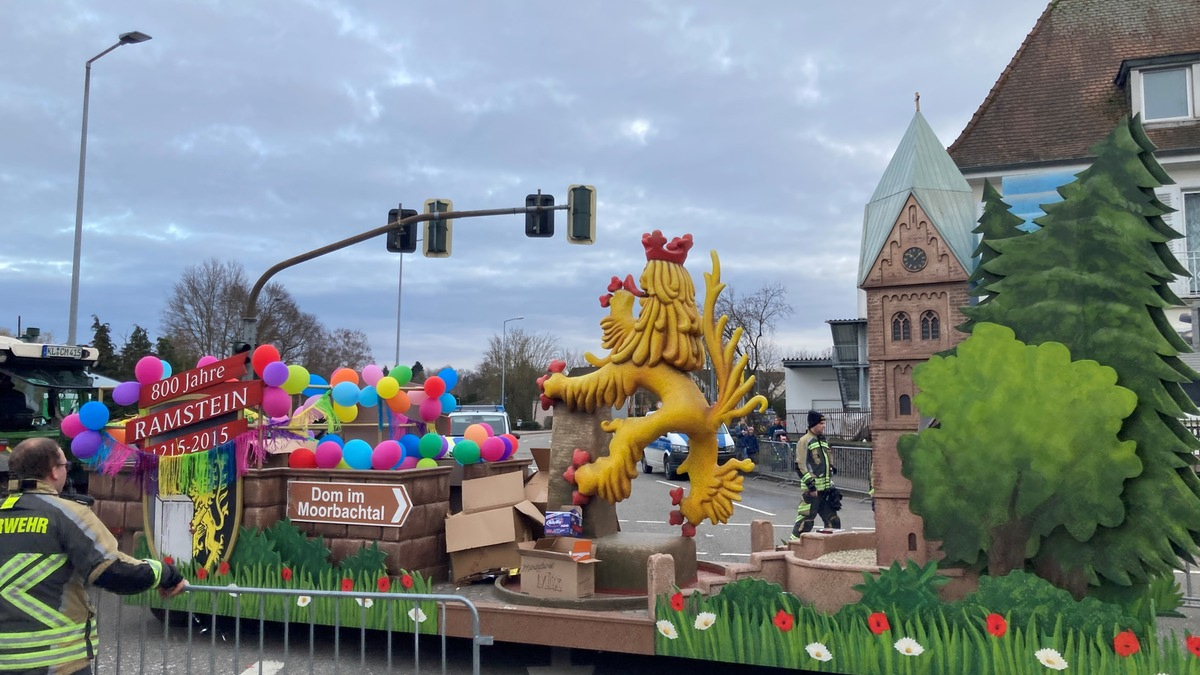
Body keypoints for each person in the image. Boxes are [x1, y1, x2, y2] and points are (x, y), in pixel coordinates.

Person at [0, 437, 187, 675]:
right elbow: (113, 571)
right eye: (65, 466)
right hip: (58, 664)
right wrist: (166, 573)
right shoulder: (68, 514)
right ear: (53, 472)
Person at [790, 410, 841, 539]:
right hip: (812, 492)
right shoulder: (804, 441)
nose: (824, 426)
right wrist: (811, 486)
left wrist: (831, 477)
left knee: (833, 521)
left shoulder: (823, 441)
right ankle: (793, 547)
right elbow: (800, 466)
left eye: (824, 423)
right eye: (821, 423)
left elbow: (827, 461)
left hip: (826, 490)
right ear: (814, 424)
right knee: (805, 523)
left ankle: (829, 550)